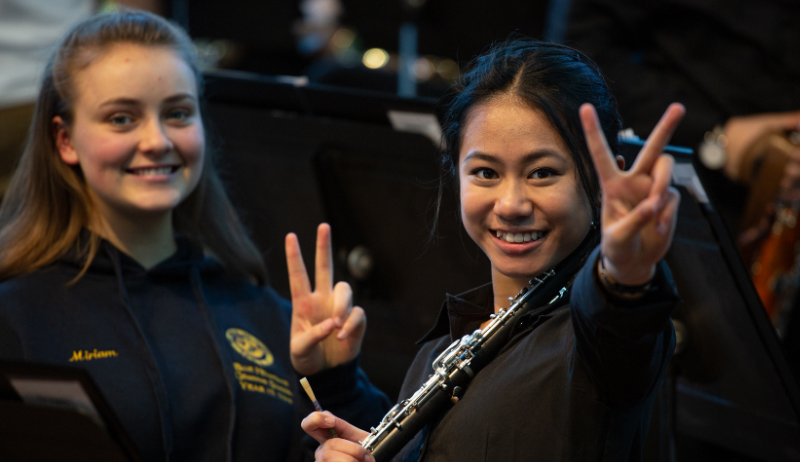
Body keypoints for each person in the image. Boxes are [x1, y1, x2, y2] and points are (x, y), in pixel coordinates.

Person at [0, 10, 388, 461]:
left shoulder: (266, 316)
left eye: (178, 113)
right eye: (122, 118)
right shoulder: (15, 317)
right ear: (64, 139)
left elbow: (382, 448)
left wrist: (336, 381)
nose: (157, 139)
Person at [300, 39, 683, 461]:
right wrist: (337, 380)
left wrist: (625, 272)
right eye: (485, 172)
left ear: (602, 186)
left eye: (542, 173)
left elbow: (624, 323)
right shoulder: (441, 350)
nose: (511, 205)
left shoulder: (597, 344)